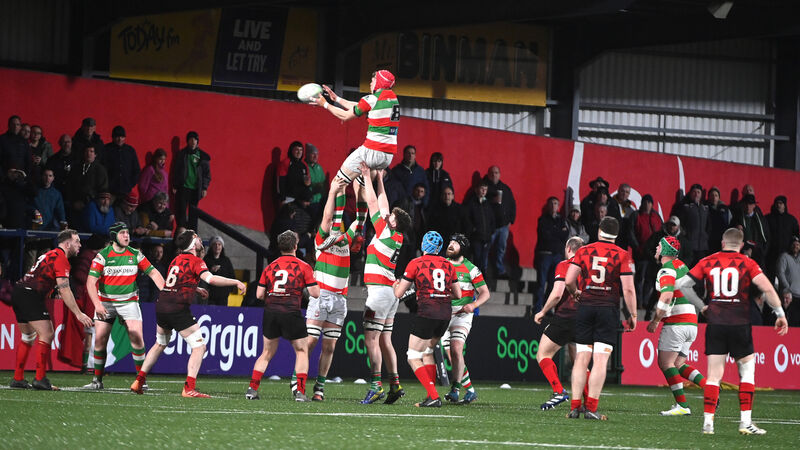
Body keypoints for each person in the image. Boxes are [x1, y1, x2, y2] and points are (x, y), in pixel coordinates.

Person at [675, 228, 788, 435]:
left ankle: (708, 424)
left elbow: (682, 285)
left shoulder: (708, 261)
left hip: (716, 324)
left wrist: (702, 306)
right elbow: (768, 289)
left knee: (713, 376)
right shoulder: (747, 262)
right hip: (739, 324)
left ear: (722, 242)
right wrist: (780, 313)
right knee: (747, 372)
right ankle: (745, 423)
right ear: (742, 245)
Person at [130, 230, 244, 397]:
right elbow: (211, 279)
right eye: (197, 238)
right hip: (177, 308)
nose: (200, 241)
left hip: (162, 305)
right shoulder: (196, 261)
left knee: (160, 344)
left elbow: (175, 282)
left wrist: (195, 288)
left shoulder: (176, 259)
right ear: (192, 243)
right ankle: (189, 388)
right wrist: (236, 282)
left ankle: (139, 381)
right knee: (199, 347)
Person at [565, 216, 637, 419]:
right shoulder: (622, 255)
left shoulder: (583, 251)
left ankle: (575, 407)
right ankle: (591, 408)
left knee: (581, 357)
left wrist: (575, 293)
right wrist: (632, 314)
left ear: (599, 231)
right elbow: (628, 289)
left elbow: (569, 280)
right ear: (616, 234)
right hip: (607, 309)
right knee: (600, 359)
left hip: (586, 307)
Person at [83, 222, 165, 390]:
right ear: (114, 236)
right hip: (106, 302)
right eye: (122, 233)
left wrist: (165, 294)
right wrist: (97, 305)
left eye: (127, 232)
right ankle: (97, 381)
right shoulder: (102, 256)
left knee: (137, 338)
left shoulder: (135, 254)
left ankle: (140, 380)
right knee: (100, 341)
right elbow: (90, 282)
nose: (127, 236)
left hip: (129, 302)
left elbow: (153, 273)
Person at [9, 230, 94, 390]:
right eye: (77, 241)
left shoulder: (51, 254)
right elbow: (65, 289)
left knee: (28, 336)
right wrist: (79, 314)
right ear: (67, 244)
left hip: (19, 291)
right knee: (47, 333)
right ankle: (40, 378)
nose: (80, 245)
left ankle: (18, 378)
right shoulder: (61, 258)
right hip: (30, 294)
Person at [357, 163, 411, 404]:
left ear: (394, 223)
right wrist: (380, 179)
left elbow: (372, 204)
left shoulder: (385, 232)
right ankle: (395, 385)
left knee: (371, 339)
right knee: (385, 340)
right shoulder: (394, 235)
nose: (387, 216)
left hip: (379, 293)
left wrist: (367, 177)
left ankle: (376, 385)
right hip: (390, 293)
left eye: (391, 217)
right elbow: (384, 205)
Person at [246, 231, 319, 402]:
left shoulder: (270, 267)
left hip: (271, 312)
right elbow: (315, 293)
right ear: (295, 246)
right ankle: (300, 392)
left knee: (266, 352)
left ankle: (252, 389)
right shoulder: (303, 266)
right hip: (291, 311)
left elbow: (259, 294)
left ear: (280, 247)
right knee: (302, 351)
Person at [305, 179, 359, 401]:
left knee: (329, 347)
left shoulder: (346, 242)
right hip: (321, 296)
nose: (337, 227)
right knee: (310, 342)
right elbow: (328, 217)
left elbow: (360, 219)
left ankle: (319, 388)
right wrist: (333, 192)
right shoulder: (321, 241)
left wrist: (358, 189)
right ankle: (298, 381)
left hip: (339, 300)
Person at [394, 231, 461, 407]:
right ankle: (430, 396)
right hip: (444, 315)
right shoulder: (448, 265)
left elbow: (399, 293)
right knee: (428, 351)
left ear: (423, 245)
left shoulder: (416, 263)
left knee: (412, 356)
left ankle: (433, 396)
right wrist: (440, 295)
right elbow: (458, 294)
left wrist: (395, 286)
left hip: (427, 313)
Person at [645, 236, 707, 416]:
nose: (656, 248)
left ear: (665, 250)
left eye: (659, 246)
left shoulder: (666, 270)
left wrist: (656, 320)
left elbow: (666, 296)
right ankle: (710, 389)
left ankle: (682, 405)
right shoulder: (682, 266)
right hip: (691, 322)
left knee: (665, 363)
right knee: (679, 364)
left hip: (677, 322)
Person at [313, 70, 399, 185]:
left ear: (379, 82)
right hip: (387, 157)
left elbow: (345, 116)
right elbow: (360, 106)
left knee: (337, 183)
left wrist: (324, 104)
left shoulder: (372, 99)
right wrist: (337, 99)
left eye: (373, 80)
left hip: (372, 150)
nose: (370, 83)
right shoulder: (392, 99)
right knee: (359, 185)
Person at [534, 236, 584, 411]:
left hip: (566, 317)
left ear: (568, 249)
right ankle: (586, 403)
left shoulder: (565, 265)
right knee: (580, 362)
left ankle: (559, 391)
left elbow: (557, 293)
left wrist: (542, 311)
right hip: (585, 318)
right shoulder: (589, 268)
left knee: (543, 354)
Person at [442, 233, 490, 404]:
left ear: (462, 248)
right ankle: (470, 391)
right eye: (450, 242)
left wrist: (473, 305)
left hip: (462, 314)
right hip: (444, 314)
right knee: (451, 354)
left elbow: (485, 293)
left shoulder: (471, 269)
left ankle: (455, 389)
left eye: (455, 243)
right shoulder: (442, 264)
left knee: (456, 349)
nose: (450, 245)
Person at [535, 196, 569, 312]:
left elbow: (565, 234)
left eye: (555, 203)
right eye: (551, 203)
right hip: (545, 254)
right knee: (541, 283)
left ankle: (547, 308)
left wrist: (554, 232)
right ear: (548, 206)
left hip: (557, 255)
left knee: (552, 284)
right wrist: (558, 233)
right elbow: (545, 235)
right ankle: (537, 308)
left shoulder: (562, 220)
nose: (553, 206)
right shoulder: (543, 219)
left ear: (558, 206)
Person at [171, 131, 210, 230]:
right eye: (191, 139)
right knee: (181, 212)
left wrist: (204, 188)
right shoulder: (182, 154)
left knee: (193, 213)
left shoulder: (202, 156)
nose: (193, 142)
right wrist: (175, 185)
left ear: (197, 141)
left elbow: (207, 174)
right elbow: (177, 170)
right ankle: (182, 233)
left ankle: (193, 234)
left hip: (195, 189)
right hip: (184, 187)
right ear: (187, 141)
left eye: (195, 140)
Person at [485, 165, 516, 278]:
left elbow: (512, 204)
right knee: (486, 248)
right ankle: (484, 270)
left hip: (503, 225)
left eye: (496, 172)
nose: (494, 175)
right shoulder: (485, 187)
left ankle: (500, 270)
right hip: (489, 226)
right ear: (488, 175)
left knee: (501, 248)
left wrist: (511, 220)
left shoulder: (505, 189)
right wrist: (491, 200)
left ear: (500, 174)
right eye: (492, 173)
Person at [463, 181, 495, 274]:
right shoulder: (471, 203)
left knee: (484, 261)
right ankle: (476, 279)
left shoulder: (487, 204)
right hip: (476, 237)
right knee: (477, 259)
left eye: (485, 189)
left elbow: (492, 220)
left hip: (486, 237)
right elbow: (467, 219)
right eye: (482, 189)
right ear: (476, 190)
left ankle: (482, 279)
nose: (484, 191)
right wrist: (473, 230)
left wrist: (490, 231)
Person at [102, 125, 141, 201]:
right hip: (110, 191)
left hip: (126, 190)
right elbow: (102, 169)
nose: (120, 139)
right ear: (113, 137)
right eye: (117, 136)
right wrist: (107, 185)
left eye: (122, 137)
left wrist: (130, 184)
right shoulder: (106, 149)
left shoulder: (130, 150)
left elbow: (136, 169)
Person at [765, 195, 799, 282]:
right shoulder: (768, 218)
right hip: (771, 254)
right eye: (777, 203)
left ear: (785, 205)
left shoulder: (791, 220)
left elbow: (796, 236)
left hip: (786, 254)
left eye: (781, 203)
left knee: (785, 279)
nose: (778, 205)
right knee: (770, 279)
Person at [678, 183, 711, 266]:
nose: (696, 194)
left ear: (701, 194)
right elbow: (681, 224)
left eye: (698, 192)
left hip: (702, 246)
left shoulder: (705, 208)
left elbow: (709, 225)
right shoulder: (686, 207)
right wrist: (686, 236)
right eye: (694, 192)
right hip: (690, 245)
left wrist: (706, 236)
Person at [203, 236, 236, 306]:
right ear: (211, 247)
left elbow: (232, 276)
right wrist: (210, 271)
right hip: (210, 296)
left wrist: (228, 291)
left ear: (222, 247)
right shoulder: (206, 259)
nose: (217, 246)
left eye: (219, 244)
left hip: (223, 297)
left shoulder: (226, 261)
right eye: (214, 244)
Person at [776, 236, 800, 326]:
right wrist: (787, 288)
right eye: (793, 244)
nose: (795, 246)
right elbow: (780, 273)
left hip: (799, 295)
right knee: (791, 322)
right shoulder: (784, 257)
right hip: (789, 296)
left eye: (797, 244)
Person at [706, 187, 731, 253]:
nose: (714, 197)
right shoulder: (705, 208)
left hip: (722, 239)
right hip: (710, 239)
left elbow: (729, 222)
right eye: (712, 195)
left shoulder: (725, 209)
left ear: (719, 197)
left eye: (716, 195)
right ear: (709, 197)